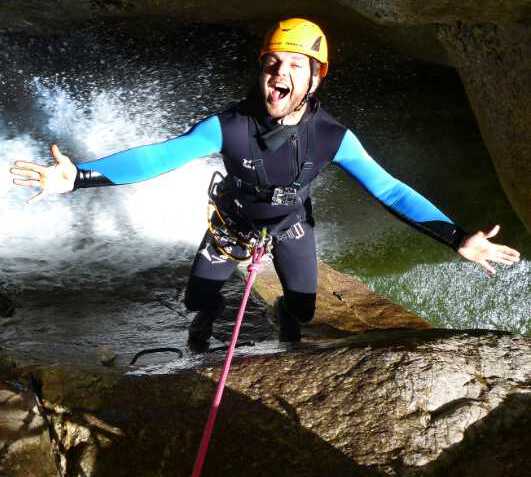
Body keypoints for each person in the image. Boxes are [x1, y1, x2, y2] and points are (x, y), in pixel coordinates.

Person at [10, 18, 520, 348]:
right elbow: (160, 156)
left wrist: (457, 236)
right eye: (271, 63)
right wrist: (80, 177)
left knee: (302, 307)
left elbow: (388, 190)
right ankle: (201, 329)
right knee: (200, 299)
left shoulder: (333, 137)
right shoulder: (229, 126)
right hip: (232, 222)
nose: (279, 72)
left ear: (315, 79)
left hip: (290, 224)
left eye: (294, 65)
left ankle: (286, 322)